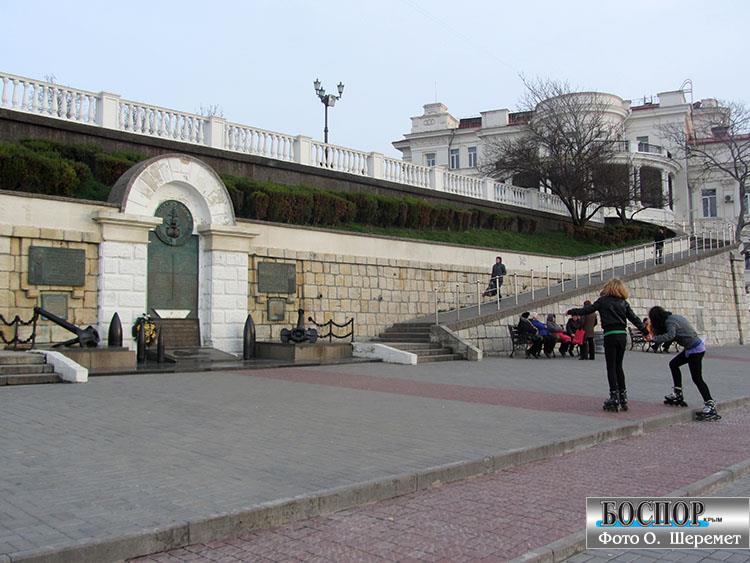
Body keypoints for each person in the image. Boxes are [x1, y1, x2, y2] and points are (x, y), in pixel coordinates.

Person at [566, 279, 646, 412]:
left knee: (611, 366)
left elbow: (587, 310)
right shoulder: (624, 303)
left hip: (610, 334)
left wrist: (572, 311)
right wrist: (646, 332)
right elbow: (634, 318)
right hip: (622, 335)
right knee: (619, 366)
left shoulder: (603, 301)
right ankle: (623, 396)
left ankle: (614, 396)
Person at [646, 306, 720, 421]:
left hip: (695, 350)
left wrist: (653, 339)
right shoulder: (673, 318)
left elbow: (670, 335)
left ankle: (710, 403)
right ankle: (678, 393)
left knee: (697, 378)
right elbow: (673, 336)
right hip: (691, 348)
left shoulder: (670, 323)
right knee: (674, 364)